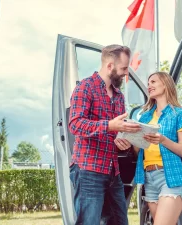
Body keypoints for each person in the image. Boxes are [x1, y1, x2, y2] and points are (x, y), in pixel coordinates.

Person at [68, 44, 141, 225]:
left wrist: (123, 138)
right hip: (88, 169)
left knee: (119, 221)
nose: (126, 74)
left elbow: (115, 131)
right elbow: (75, 124)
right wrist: (109, 125)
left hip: (112, 170)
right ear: (109, 66)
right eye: (123, 68)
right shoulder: (85, 88)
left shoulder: (119, 96)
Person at [115, 71, 182, 225]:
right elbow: (139, 151)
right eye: (148, 83)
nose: (149, 86)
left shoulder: (179, 114)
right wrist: (130, 142)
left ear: (166, 84)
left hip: (170, 177)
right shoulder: (144, 117)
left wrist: (162, 140)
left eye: (154, 82)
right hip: (148, 178)